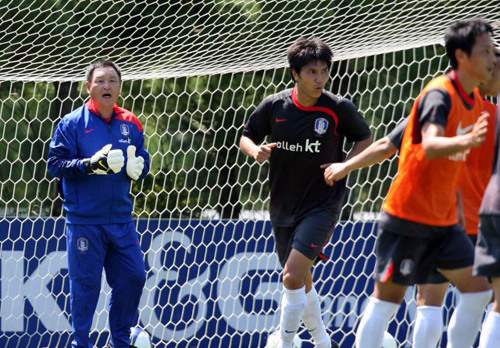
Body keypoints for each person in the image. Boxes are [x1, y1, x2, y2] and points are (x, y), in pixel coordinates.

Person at [325, 49, 500, 347]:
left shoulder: (438, 106)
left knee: (419, 302)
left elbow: (386, 145)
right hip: (476, 223)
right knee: (485, 301)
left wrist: (345, 166)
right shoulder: (493, 118)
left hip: (424, 217)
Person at [240, 38, 372, 348]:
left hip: (322, 204)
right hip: (282, 205)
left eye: (324, 72)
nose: (320, 79)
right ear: (295, 74)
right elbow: (246, 136)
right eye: (312, 72)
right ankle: (323, 342)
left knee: (291, 276)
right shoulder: (275, 106)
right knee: (302, 280)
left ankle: (284, 342)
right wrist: (255, 151)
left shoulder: (338, 108)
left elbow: (365, 140)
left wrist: (344, 167)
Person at [47, 60, 150, 348]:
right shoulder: (71, 123)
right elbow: (55, 164)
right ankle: (81, 344)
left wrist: (138, 167)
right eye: (101, 81)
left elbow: (143, 158)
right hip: (84, 222)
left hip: (121, 220)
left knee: (135, 276)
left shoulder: (131, 122)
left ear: (120, 86)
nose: (107, 86)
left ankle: (120, 340)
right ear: (88, 86)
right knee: (86, 288)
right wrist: (88, 165)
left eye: (112, 80)